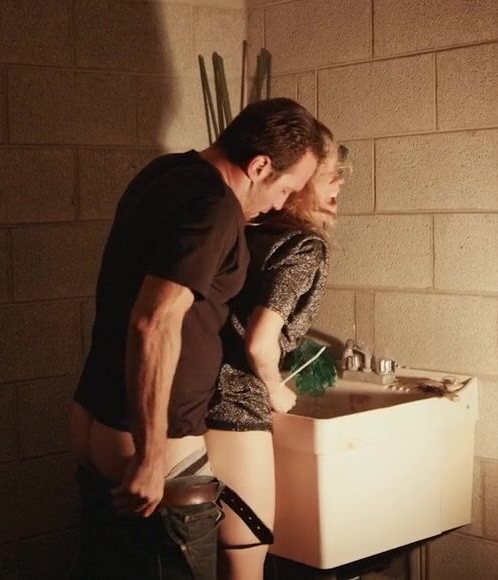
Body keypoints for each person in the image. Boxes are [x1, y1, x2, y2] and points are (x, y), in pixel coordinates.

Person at [69, 98, 329, 579]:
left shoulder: (164, 174)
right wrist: (152, 455)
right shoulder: (215, 207)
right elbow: (153, 321)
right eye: (285, 188)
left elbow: (122, 297)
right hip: (151, 439)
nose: (279, 204)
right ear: (259, 166)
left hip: (98, 411)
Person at [205, 138, 348, 579]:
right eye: (331, 175)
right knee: (245, 559)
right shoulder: (304, 246)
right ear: (299, 182)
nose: (340, 184)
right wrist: (275, 387)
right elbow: (258, 343)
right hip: (235, 410)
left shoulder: (244, 229)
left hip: (190, 400)